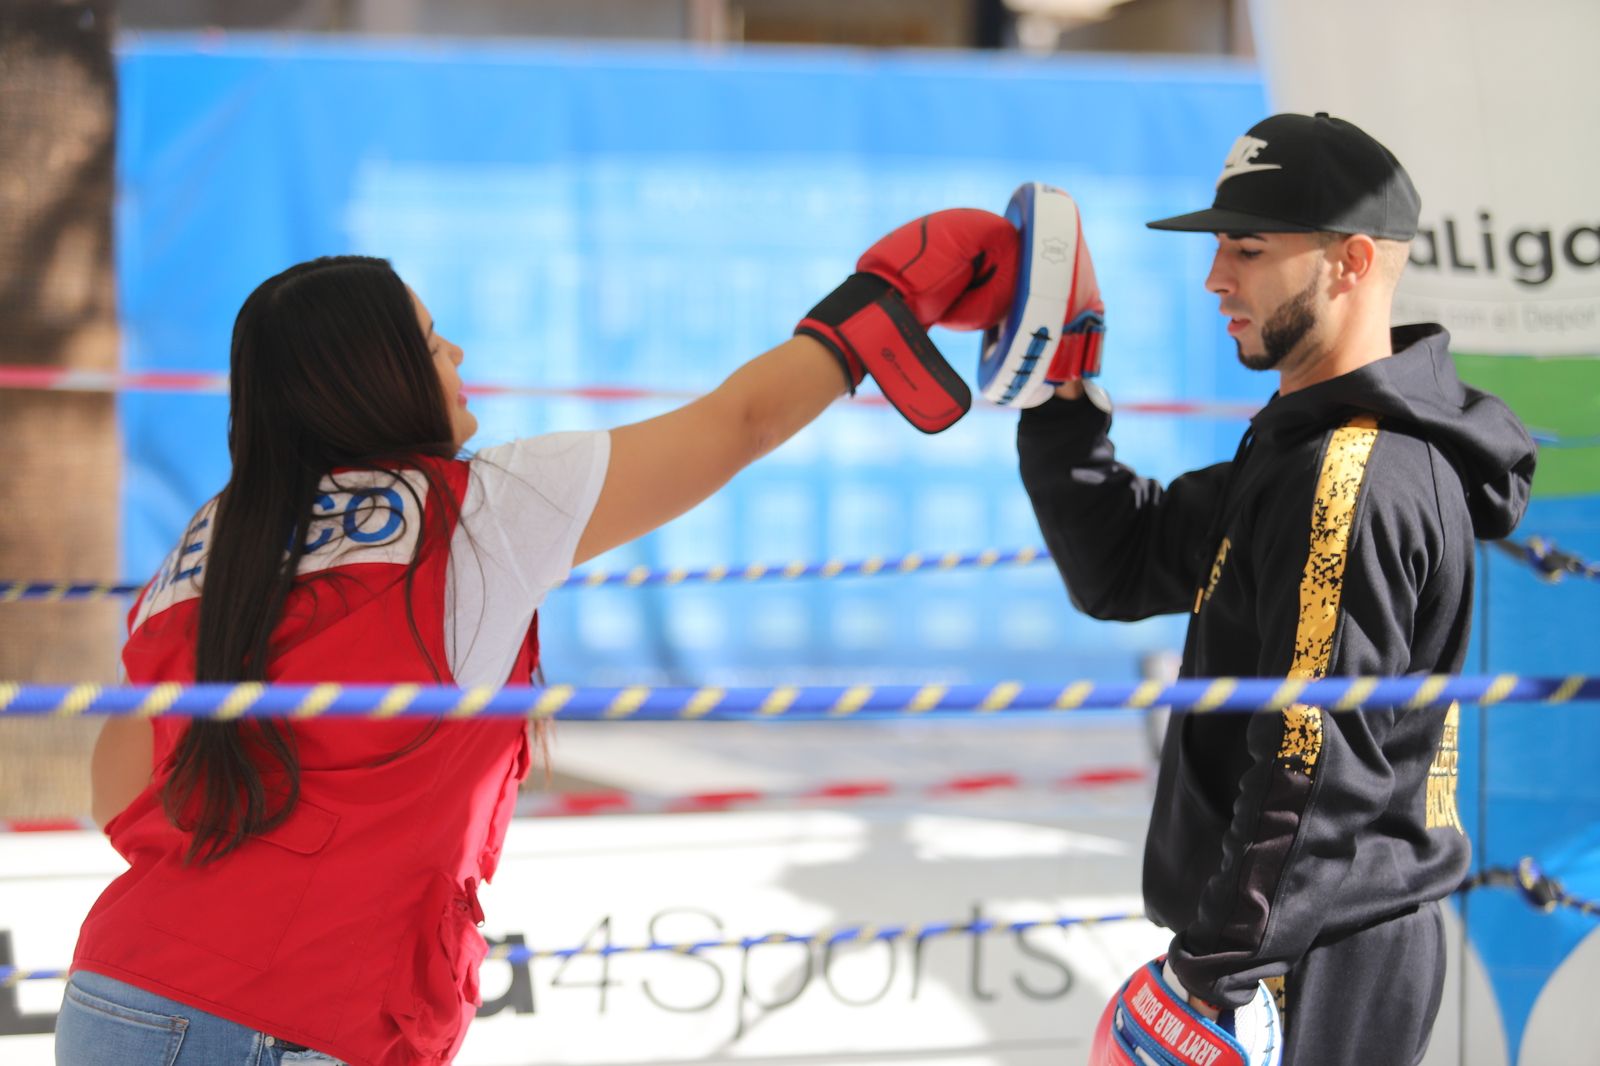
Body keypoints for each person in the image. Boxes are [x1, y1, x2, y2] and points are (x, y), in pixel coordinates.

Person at [60, 207, 1020, 1066]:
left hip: (118, 994)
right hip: (292, 1020)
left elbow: (119, 786)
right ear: (374, 374)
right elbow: (739, 421)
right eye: (432, 342)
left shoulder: (214, 535)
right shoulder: (480, 511)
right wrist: (883, 301)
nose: (460, 356)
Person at [1017, 113, 1537, 1065]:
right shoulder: (1303, 445)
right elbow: (1122, 564)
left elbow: (1315, 753)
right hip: (1284, 936)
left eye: (1249, 249)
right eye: (1219, 247)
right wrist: (1060, 396)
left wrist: (1211, 978)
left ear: (1351, 261)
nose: (1217, 278)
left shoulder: (1353, 473)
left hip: (1306, 953)